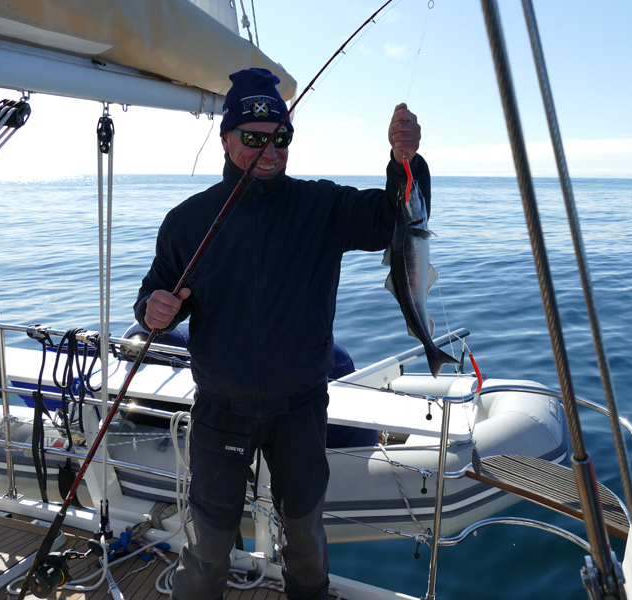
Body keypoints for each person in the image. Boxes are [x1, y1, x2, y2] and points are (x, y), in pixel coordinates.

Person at [134, 67, 430, 600]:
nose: (269, 151)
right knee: (208, 547)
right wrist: (155, 310)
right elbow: (158, 295)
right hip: (220, 409)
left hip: (300, 408)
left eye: (280, 138)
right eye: (253, 138)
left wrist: (404, 162)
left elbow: (395, 215)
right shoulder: (186, 221)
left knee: (306, 540)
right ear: (225, 139)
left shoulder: (323, 207)